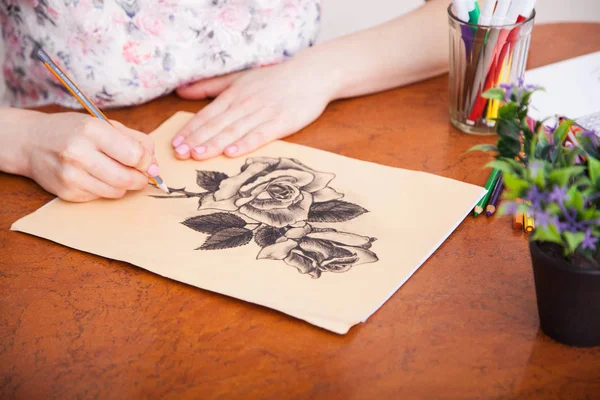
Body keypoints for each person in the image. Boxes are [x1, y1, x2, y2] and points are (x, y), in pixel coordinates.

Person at [0, 0, 448, 202]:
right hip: (51, 151)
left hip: (312, 116)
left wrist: (323, 71)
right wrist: (22, 140)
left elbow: (490, 16)